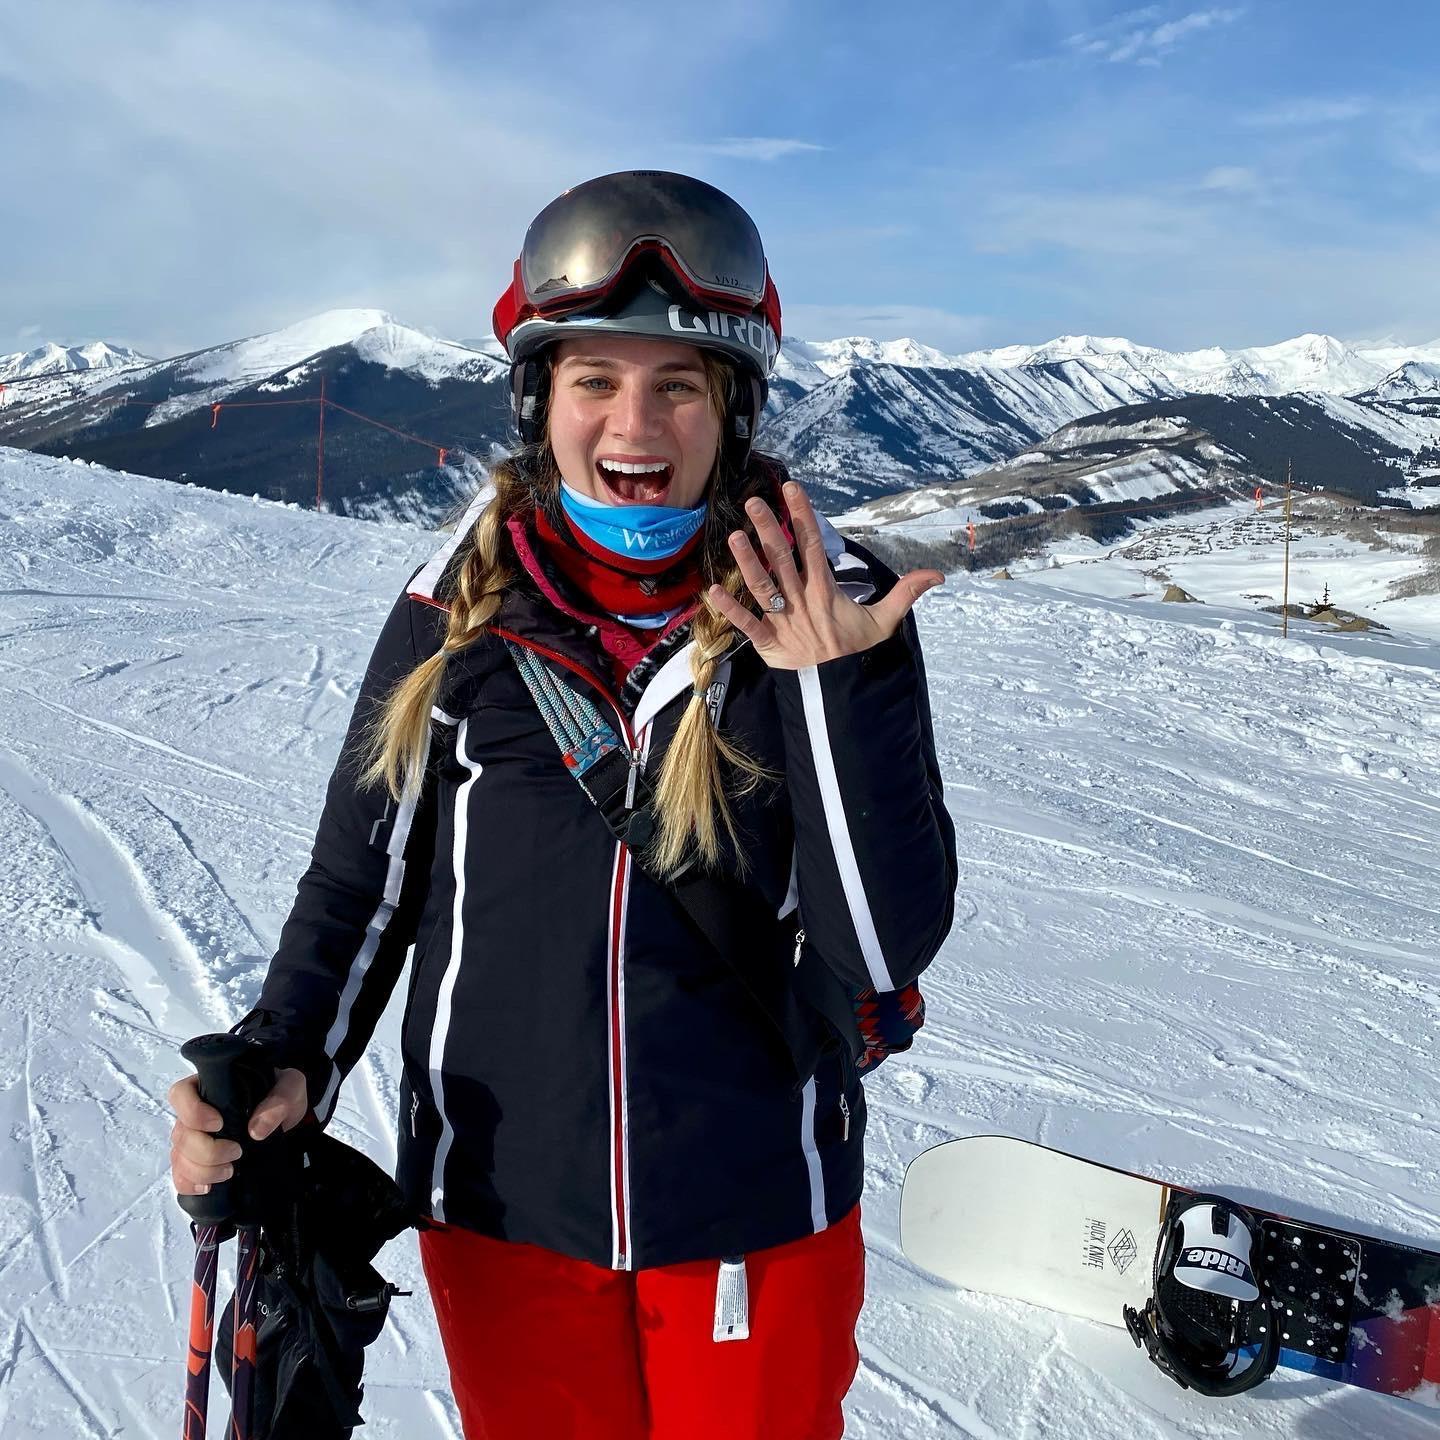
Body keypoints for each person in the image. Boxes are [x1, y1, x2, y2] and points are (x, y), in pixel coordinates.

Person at [169, 170, 958, 1439]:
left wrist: (828, 686)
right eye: (595, 380)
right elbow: (361, 883)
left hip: (756, 1214)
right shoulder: (456, 607)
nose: (634, 423)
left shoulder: (832, 608)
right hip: (504, 1208)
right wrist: (284, 1054)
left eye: (678, 384)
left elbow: (880, 948)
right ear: (543, 402)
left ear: (733, 406)